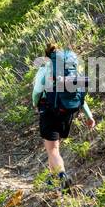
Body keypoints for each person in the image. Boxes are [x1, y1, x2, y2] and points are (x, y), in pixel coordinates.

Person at [33, 42, 94, 188]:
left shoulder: (46, 69)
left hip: (50, 112)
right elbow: (80, 96)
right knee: (54, 147)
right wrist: (89, 116)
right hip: (67, 112)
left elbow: (36, 92)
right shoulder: (72, 71)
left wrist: (36, 104)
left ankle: (62, 176)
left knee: (52, 149)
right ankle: (53, 178)